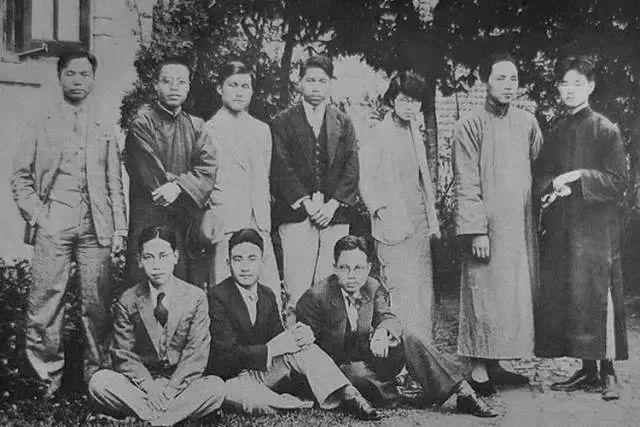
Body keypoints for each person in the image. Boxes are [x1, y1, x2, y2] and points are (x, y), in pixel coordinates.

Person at [10, 48, 127, 397]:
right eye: (71, 74)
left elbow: (114, 182)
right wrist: (38, 215)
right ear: (59, 77)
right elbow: (20, 178)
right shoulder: (40, 122)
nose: (78, 80)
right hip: (54, 223)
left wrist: (119, 226)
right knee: (46, 303)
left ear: (94, 79)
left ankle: (98, 380)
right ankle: (45, 380)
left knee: (97, 305)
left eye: (85, 74)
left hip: (96, 226)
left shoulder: (103, 125)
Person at [295, 235, 497, 417]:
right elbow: (308, 352)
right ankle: (401, 394)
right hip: (342, 369)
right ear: (334, 268)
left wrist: (382, 331)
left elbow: (389, 317)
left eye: (358, 268)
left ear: (368, 267)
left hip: (374, 356)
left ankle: (463, 392)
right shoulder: (316, 297)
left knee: (409, 336)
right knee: (356, 374)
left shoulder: (372, 286)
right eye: (344, 268)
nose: (351, 275)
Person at [207, 229, 381, 420]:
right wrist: (272, 348)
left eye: (252, 259)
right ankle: (296, 403)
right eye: (238, 259)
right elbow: (226, 355)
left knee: (304, 346)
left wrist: (299, 336)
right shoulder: (217, 296)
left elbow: (279, 339)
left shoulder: (266, 294)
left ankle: (351, 396)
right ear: (228, 263)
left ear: (263, 262)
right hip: (231, 378)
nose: (245, 267)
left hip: (263, 371)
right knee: (249, 399)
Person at [534, 56, 628, 400]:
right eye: (564, 84)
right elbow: (542, 172)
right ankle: (587, 370)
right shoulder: (557, 131)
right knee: (574, 296)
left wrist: (580, 176)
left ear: (591, 86)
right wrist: (551, 187)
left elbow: (619, 182)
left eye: (578, 83)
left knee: (599, 295)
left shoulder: (606, 129)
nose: (570, 90)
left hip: (597, 231)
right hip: (566, 228)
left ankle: (608, 372)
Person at [452, 52, 542, 395]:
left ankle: (496, 363)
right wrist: (476, 230)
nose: (508, 85)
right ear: (485, 82)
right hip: (486, 230)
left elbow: (538, 165)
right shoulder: (469, 125)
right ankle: (477, 368)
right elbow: (466, 181)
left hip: (518, 228)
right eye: (500, 78)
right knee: (483, 294)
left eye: (513, 79)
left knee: (510, 295)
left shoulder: (527, 123)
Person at [88, 226, 226, 425]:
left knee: (216, 387)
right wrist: (151, 388)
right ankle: (170, 417)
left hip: (180, 385)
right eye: (149, 257)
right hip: (143, 385)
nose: (157, 265)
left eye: (163, 256)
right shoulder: (129, 299)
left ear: (175, 257)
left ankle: (152, 419)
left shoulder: (195, 297)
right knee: (99, 382)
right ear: (140, 260)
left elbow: (196, 354)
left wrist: (170, 390)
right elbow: (123, 354)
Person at [271, 55, 359, 307]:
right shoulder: (282, 122)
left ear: (330, 84)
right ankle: (295, 332)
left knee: (331, 287)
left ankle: (330, 334)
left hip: (334, 215)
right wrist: (307, 203)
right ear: (299, 82)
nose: (316, 87)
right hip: (297, 214)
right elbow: (280, 166)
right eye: (310, 80)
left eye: (322, 81)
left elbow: (351, 167)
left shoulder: (343, 122)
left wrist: (332, 205)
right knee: (297, 287)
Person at [359, 71, 440, 341]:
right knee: (398, 288)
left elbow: (421, 179)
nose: (410, 107)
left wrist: (430, 219)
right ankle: (399, 350)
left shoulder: (414, 131)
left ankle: (423, 348)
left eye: (415, 101)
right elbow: (364, 178)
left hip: (418, 221)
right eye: (404, 100)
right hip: (393, 223)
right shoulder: (379, 134)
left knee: (421, 289)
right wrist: (381, 210)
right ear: (392, 100)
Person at [125, 57, 217, 288]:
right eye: (167, 81)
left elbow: (207, 169)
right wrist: (185, 184)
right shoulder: (141, 123)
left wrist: (178, 186)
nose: (174, 87)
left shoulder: (197, 126)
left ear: (188, 87)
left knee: (184, 284)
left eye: (181, 82)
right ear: (155, 85)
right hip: (149, 215)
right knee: (146, 281)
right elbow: (151, 173)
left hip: (185, 221)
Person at [204, 61, 281, 306]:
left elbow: (263, 174)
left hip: (258, 218)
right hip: (226, 218)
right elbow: (205, 177)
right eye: (233, 85)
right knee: (225, 291)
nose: (239, 92)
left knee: (267, 291)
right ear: (220, 88)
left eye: (245, 86)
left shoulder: (262, 130)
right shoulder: (209, 130)